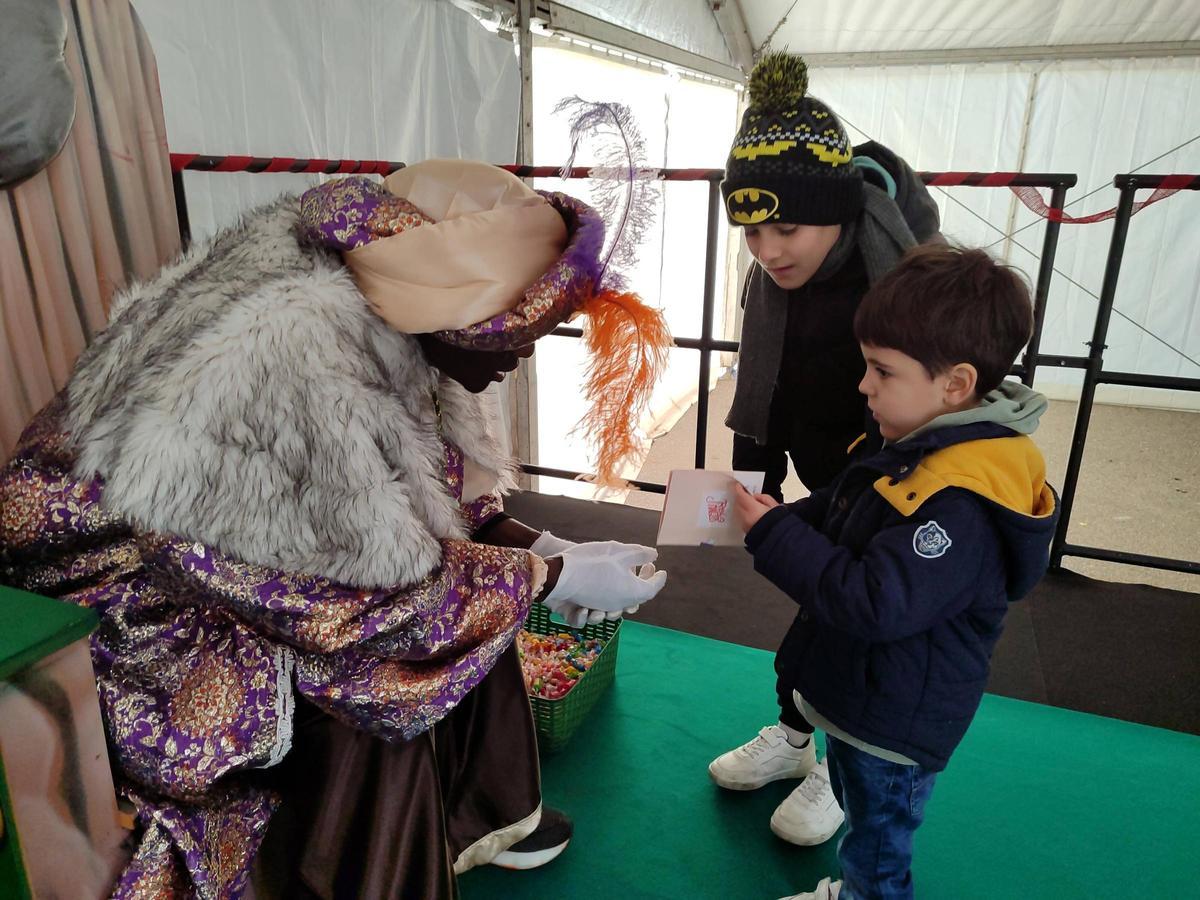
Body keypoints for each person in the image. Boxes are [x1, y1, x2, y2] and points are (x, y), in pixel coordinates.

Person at [0, 159, 672, 898]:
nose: (520, 355)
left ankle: (482, 813)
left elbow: (422, 499)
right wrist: (553, 578)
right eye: (511, 329)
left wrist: (541, 551)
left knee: (479, 589)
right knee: (375, 682)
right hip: (116, 621)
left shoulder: (374, 301)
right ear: (446, 308)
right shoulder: (278, 376)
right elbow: (359, 610)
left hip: (227, 571)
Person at [728, 244, 1058, 900]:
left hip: (896, 722)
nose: (863, 386)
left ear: (956, 384)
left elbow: (875, 601)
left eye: (881, 371)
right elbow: (854, 500)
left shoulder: (965, 501)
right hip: (864, 704)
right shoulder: (924, 439)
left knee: (879, 842)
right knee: (856, 802)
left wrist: (775, 536)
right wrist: (792, 516)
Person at [710, 50, 943, 845]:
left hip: (899, 485)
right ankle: (795, 737)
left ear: (838, 209)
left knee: (864, 623)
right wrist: (753, 473)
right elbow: (763, 377)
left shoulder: (908, 281)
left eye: (787, 227)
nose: (769, 251)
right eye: (751, 231)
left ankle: (838, 767)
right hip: (824, 473)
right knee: (817, 611)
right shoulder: (771, 283)